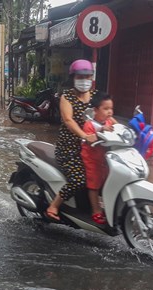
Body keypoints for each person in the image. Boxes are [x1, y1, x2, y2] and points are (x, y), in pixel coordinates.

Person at [45, 59, 97, 221]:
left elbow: (107, 113)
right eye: (80, 77)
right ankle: (54, 205)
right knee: (78, 179)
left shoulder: (96, 96)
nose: (84, 80)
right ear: (73, 78)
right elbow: (68, 120)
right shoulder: (67, 97)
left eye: (87, 76)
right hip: (70, 150)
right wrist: (84, 136)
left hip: (93, 148)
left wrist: (122, 128)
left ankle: (95, 209)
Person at [82, 92, 114, 224]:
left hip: (105, 160)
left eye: (111, 108)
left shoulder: (109, 121)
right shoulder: (89, 124)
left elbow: (117, 129)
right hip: (91, 160)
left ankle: (107, 207)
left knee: (108, 181)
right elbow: (90, 139)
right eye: (105, 109)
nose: (109, 112)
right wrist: (102, 130)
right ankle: (96, 210)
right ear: (95, 110)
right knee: (94, 185)